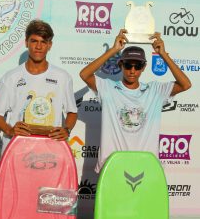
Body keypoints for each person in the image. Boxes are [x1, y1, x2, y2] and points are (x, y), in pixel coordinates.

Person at [79, 29, 192, 173]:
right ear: (120, 65)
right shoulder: (107, 87)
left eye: (137, 66)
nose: (132, 70)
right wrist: (114, 50)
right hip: (112, 166)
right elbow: (84, 74)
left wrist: (163, 54)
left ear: (143, 67)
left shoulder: (155, 91)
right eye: (128, 65)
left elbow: (185, 84)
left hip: (146, 167)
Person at [0, 19, 78, 153]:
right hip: (17, 150)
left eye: (43, 42)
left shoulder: (62, 77)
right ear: (26, 43)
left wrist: (67, 130)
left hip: (50, 151)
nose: (38, 46)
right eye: (34, 41)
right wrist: (9, 130)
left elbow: (72, 112)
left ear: (50, 45)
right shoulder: (11, 77)